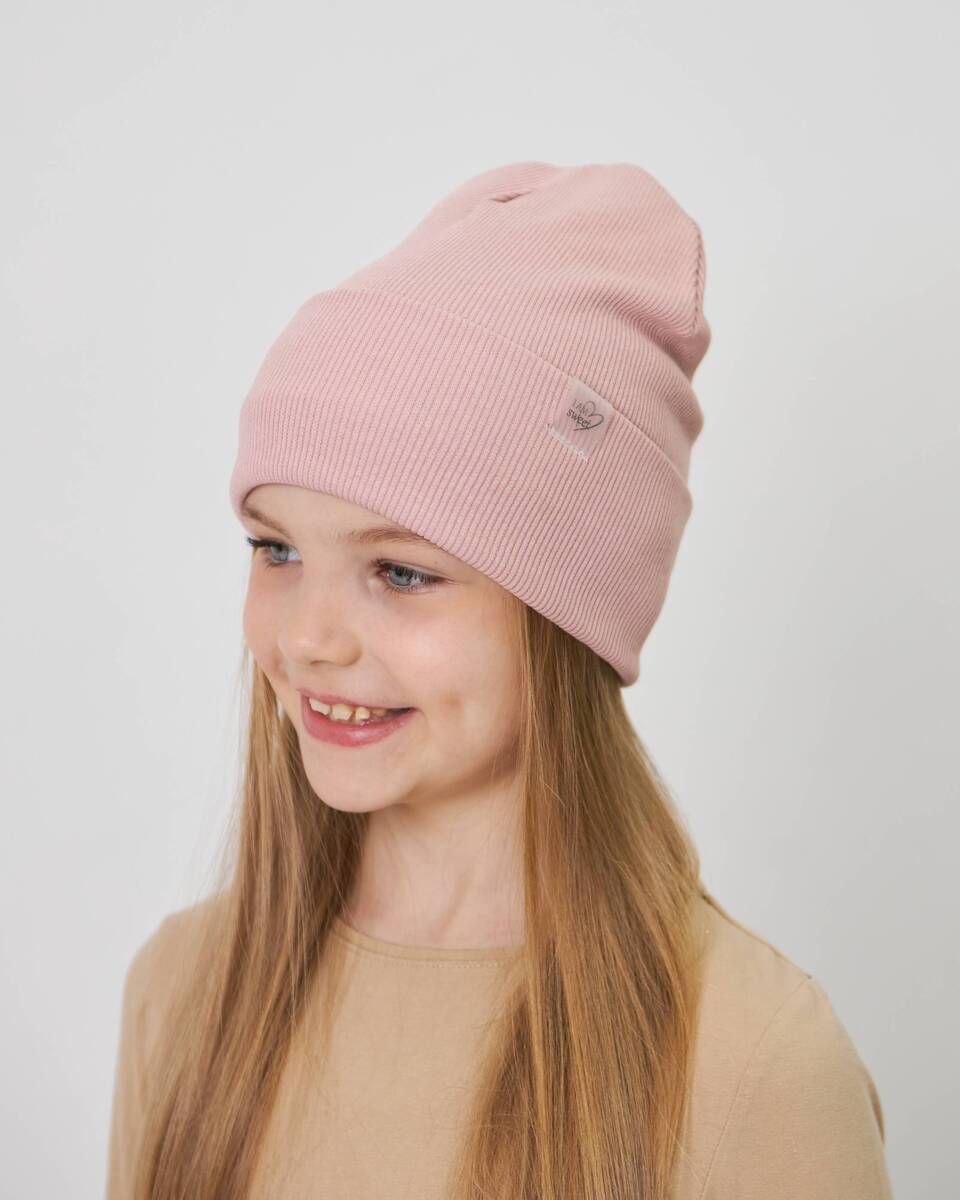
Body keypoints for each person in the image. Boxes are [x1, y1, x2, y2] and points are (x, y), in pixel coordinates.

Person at [106, 160, 894, 1199]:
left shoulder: (751, 1061)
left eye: (402, 572)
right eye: (276, 548)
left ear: (569, 615)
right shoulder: (188, 992)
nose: (308, 639)